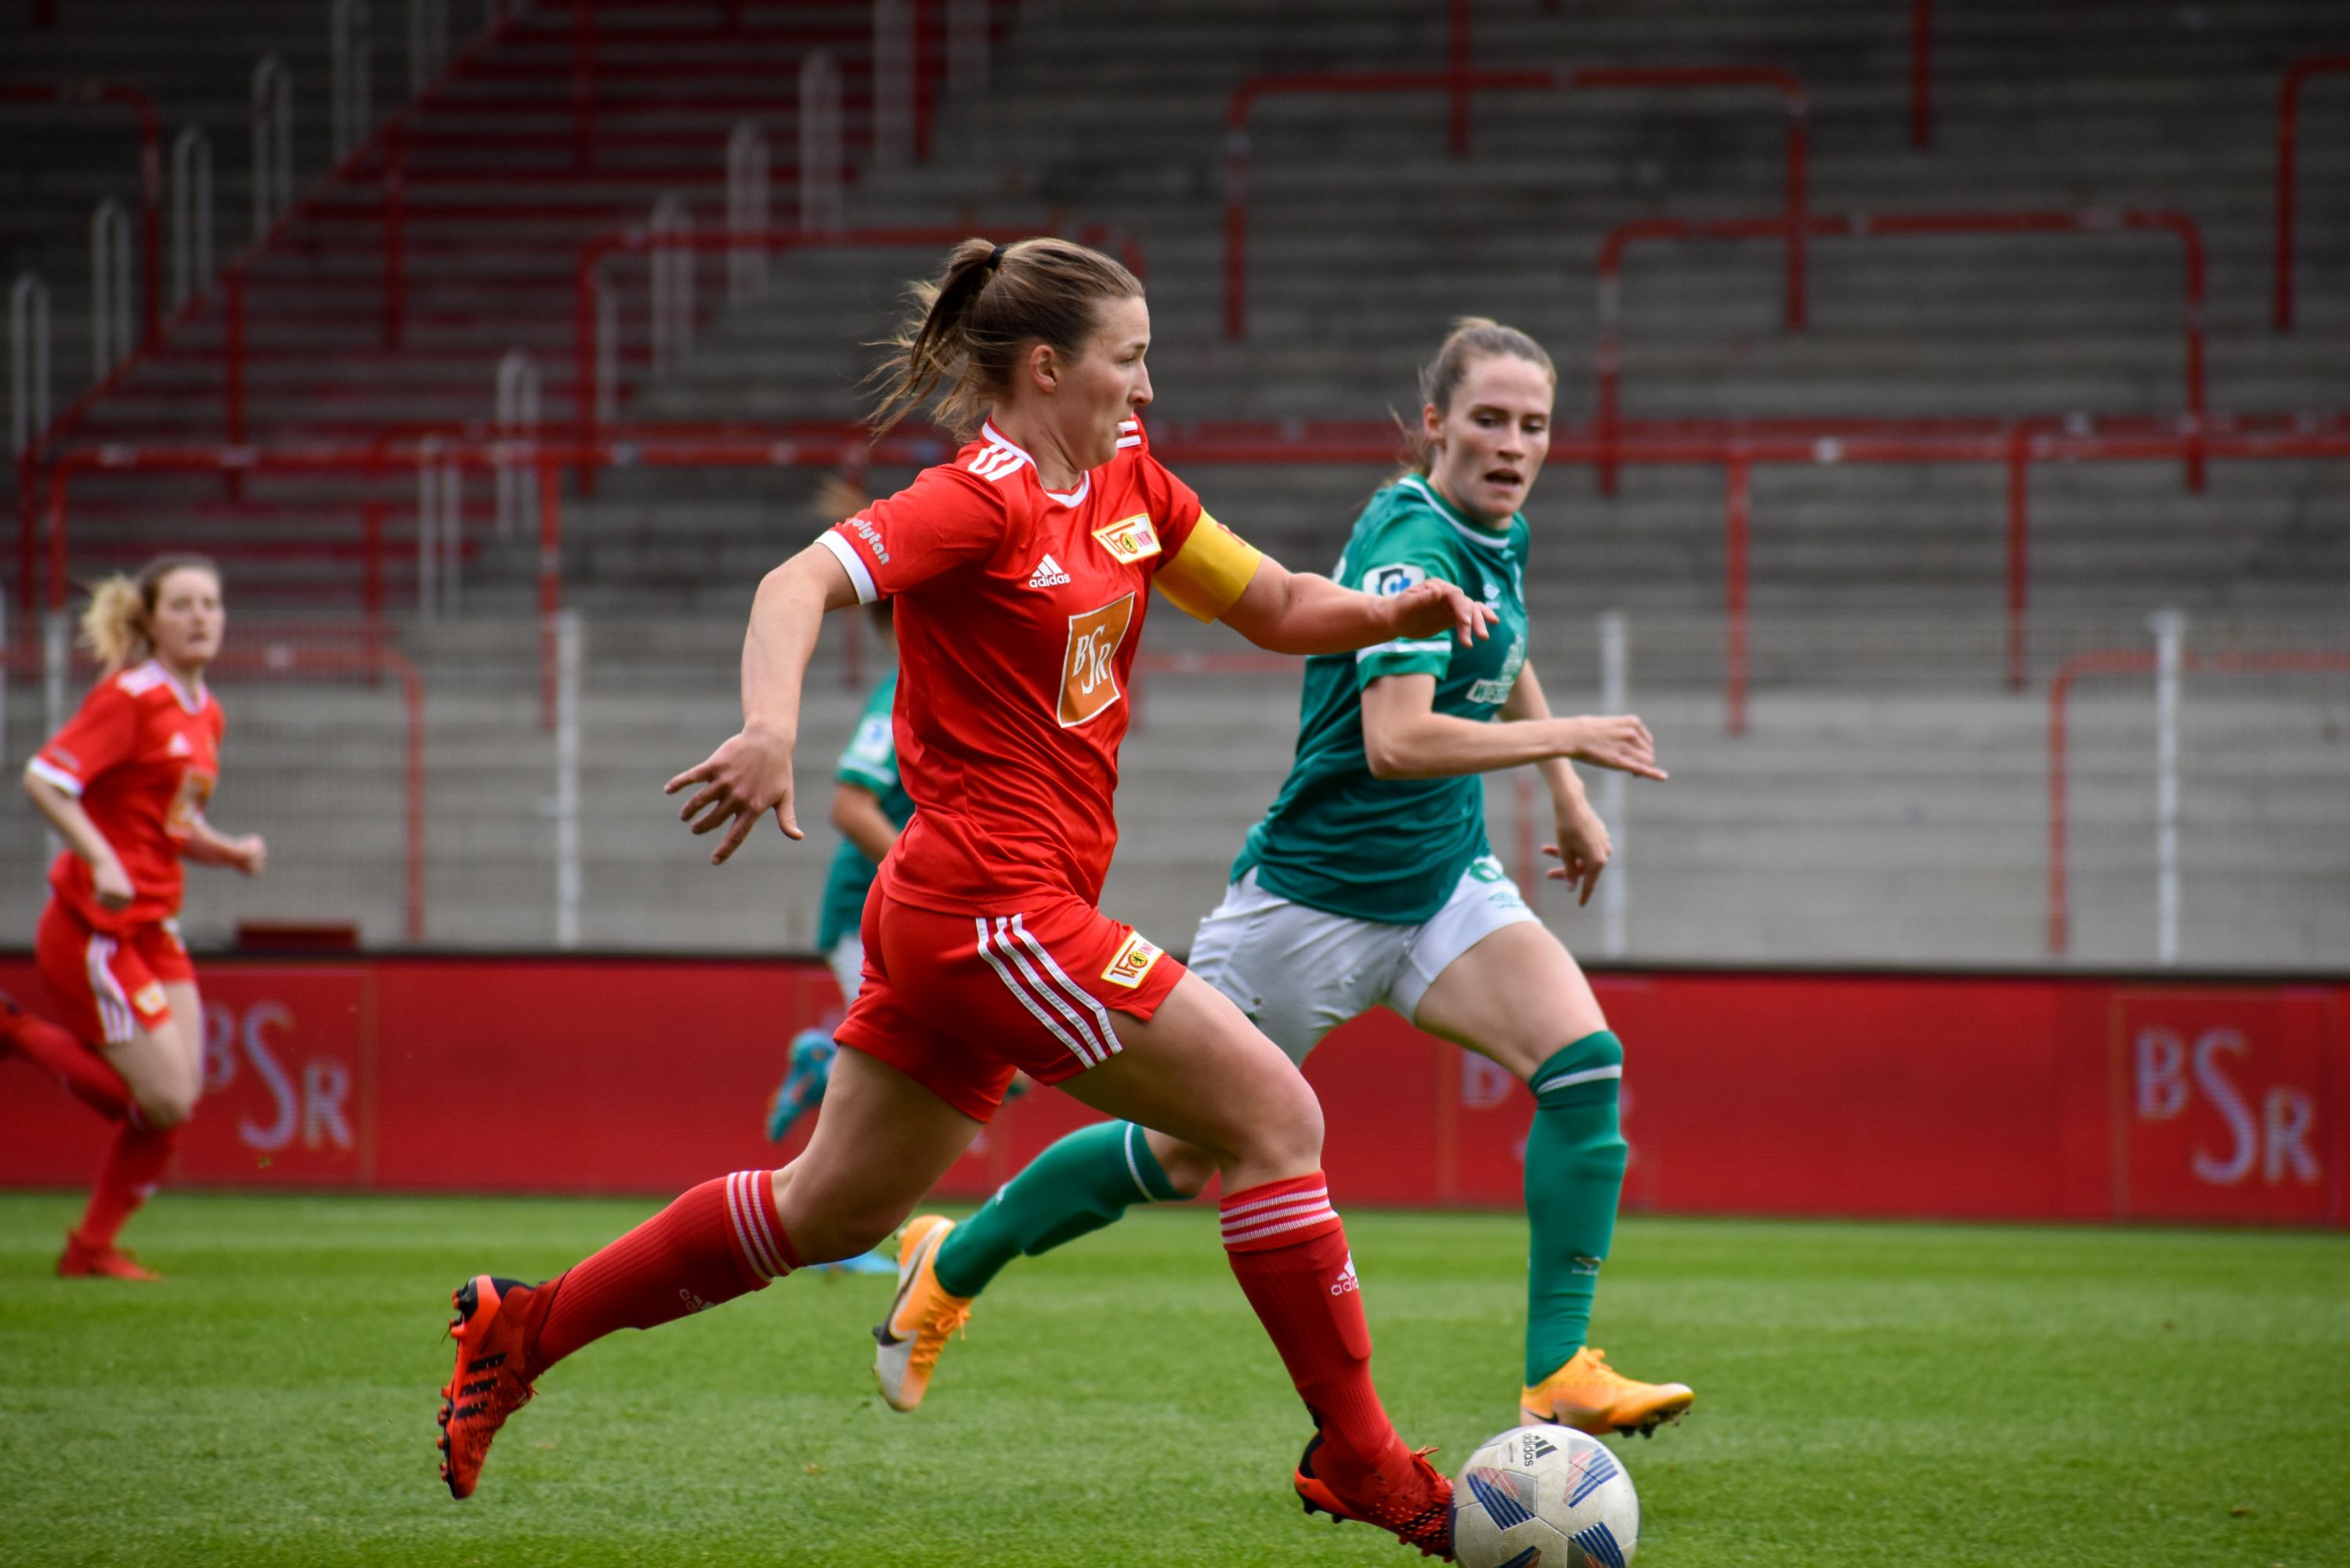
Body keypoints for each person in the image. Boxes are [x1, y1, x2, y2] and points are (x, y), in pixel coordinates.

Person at [434, 237, 1492, 1557]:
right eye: (1129, 358)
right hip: (990, 905)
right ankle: (1364, 1457)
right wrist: (770, 728)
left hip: (971, 908)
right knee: (1278, 1111)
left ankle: (526, 1329)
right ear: (1048, 367)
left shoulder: (1131, 487)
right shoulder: (978, 500)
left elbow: (1273, 603)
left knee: (828, 1209)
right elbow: (798, 580)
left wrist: (1392, 618)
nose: (1147, 385)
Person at [879, 320, 1697, 1440]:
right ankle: (953, 1255)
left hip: (1442, 878)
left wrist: (1562, 787)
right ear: (1436, 426)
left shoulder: (1490, 528)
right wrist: (1581, 739)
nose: (1514, 444)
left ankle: (1558, 1371)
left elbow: (1501, 646)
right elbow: (1398, 740)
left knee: (1583, 1065)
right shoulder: (1413, 539)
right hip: (1313, 899)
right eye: (1491, 420)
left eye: (1535, 424)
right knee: (1179, 1156)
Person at [1, 555, 266, 1280]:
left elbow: (172, 823)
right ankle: (14, 1029)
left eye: (210, 603)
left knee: (172, 1104)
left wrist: (228, 850)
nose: (201, 617)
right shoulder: (130, 697)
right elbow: (46, 779)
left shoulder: (205, 709)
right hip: (96, 930)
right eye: (182, 605)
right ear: (148, 620)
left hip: (154, 927)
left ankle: (90, 1249)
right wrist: (102, 860)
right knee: (166, 1095)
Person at [762, 591, 908, 1277]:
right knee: (896, 1083)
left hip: (897, 910)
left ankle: (825, 1059)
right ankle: (838, 1243)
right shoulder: (900, 693)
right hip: (871, 914)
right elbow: (850, 806)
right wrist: (934, 876)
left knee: (927, 1075)